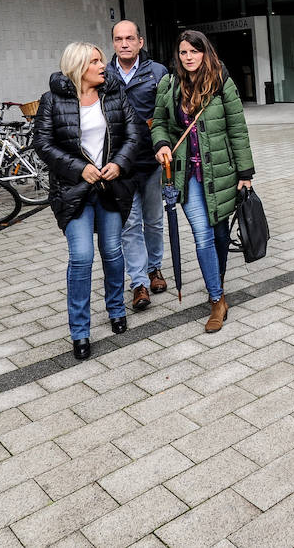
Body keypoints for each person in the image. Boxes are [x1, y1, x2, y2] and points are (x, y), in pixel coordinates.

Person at [34, 42, 146, 360]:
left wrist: (119, 164)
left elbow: (134, 134)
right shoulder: (52, 100)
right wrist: (79, 168)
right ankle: (80, 331)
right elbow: (42, 143)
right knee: (81, 257)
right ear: (79, 67)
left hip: (112, 187)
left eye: (101, 61)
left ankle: (115, 310)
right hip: (73, 192)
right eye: (96, 62)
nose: (103, 66)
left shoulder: (114, 95)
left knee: (112, 251)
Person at [151, 30, 255, 332]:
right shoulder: (169, 85)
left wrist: (245, 174)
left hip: (221, 171)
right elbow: (159, 123)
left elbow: (238, 129)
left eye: (194, 51)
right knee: (202, 235)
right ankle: (216, 299)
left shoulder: (222, 82)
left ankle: (216, 280)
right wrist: (162, 145)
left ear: (205, 52)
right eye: (183, 52)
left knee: (220, 234)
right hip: (187, 176)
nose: (189, 57)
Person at [107, 20, 169, 312]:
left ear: (140, 42)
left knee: (154, 221)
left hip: (152, 161)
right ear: (113, 43)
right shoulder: (103, 74)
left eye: (129, 38)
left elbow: (167, 115)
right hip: (120, 165)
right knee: (129, 226)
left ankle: (155, 268)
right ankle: (139, 283)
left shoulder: (157, 73)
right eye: (119, 39)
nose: (124, 44)